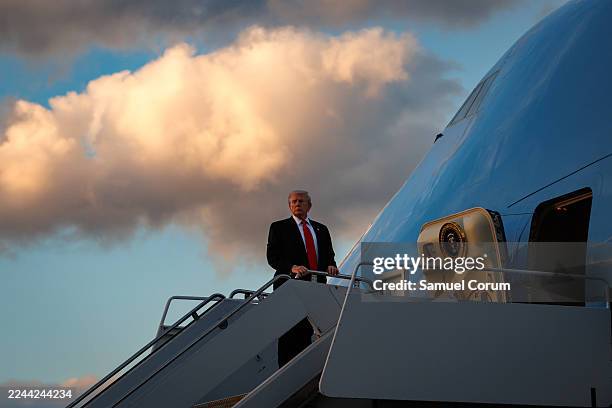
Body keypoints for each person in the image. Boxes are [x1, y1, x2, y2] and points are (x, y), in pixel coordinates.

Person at [266, 190, 338, 367]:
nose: (297, 204)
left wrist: (331, 264)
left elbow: (329, 254)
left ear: (309, 205)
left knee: (308, 329)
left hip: (317, 285)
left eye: (301, 201)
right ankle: (285, 370)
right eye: (293, 202)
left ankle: (305, 366)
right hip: (291, 284)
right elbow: (272, 257)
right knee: (289, 329)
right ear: (289, 205)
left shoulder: (321, 229)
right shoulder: (279, 227)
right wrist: (291, 267)